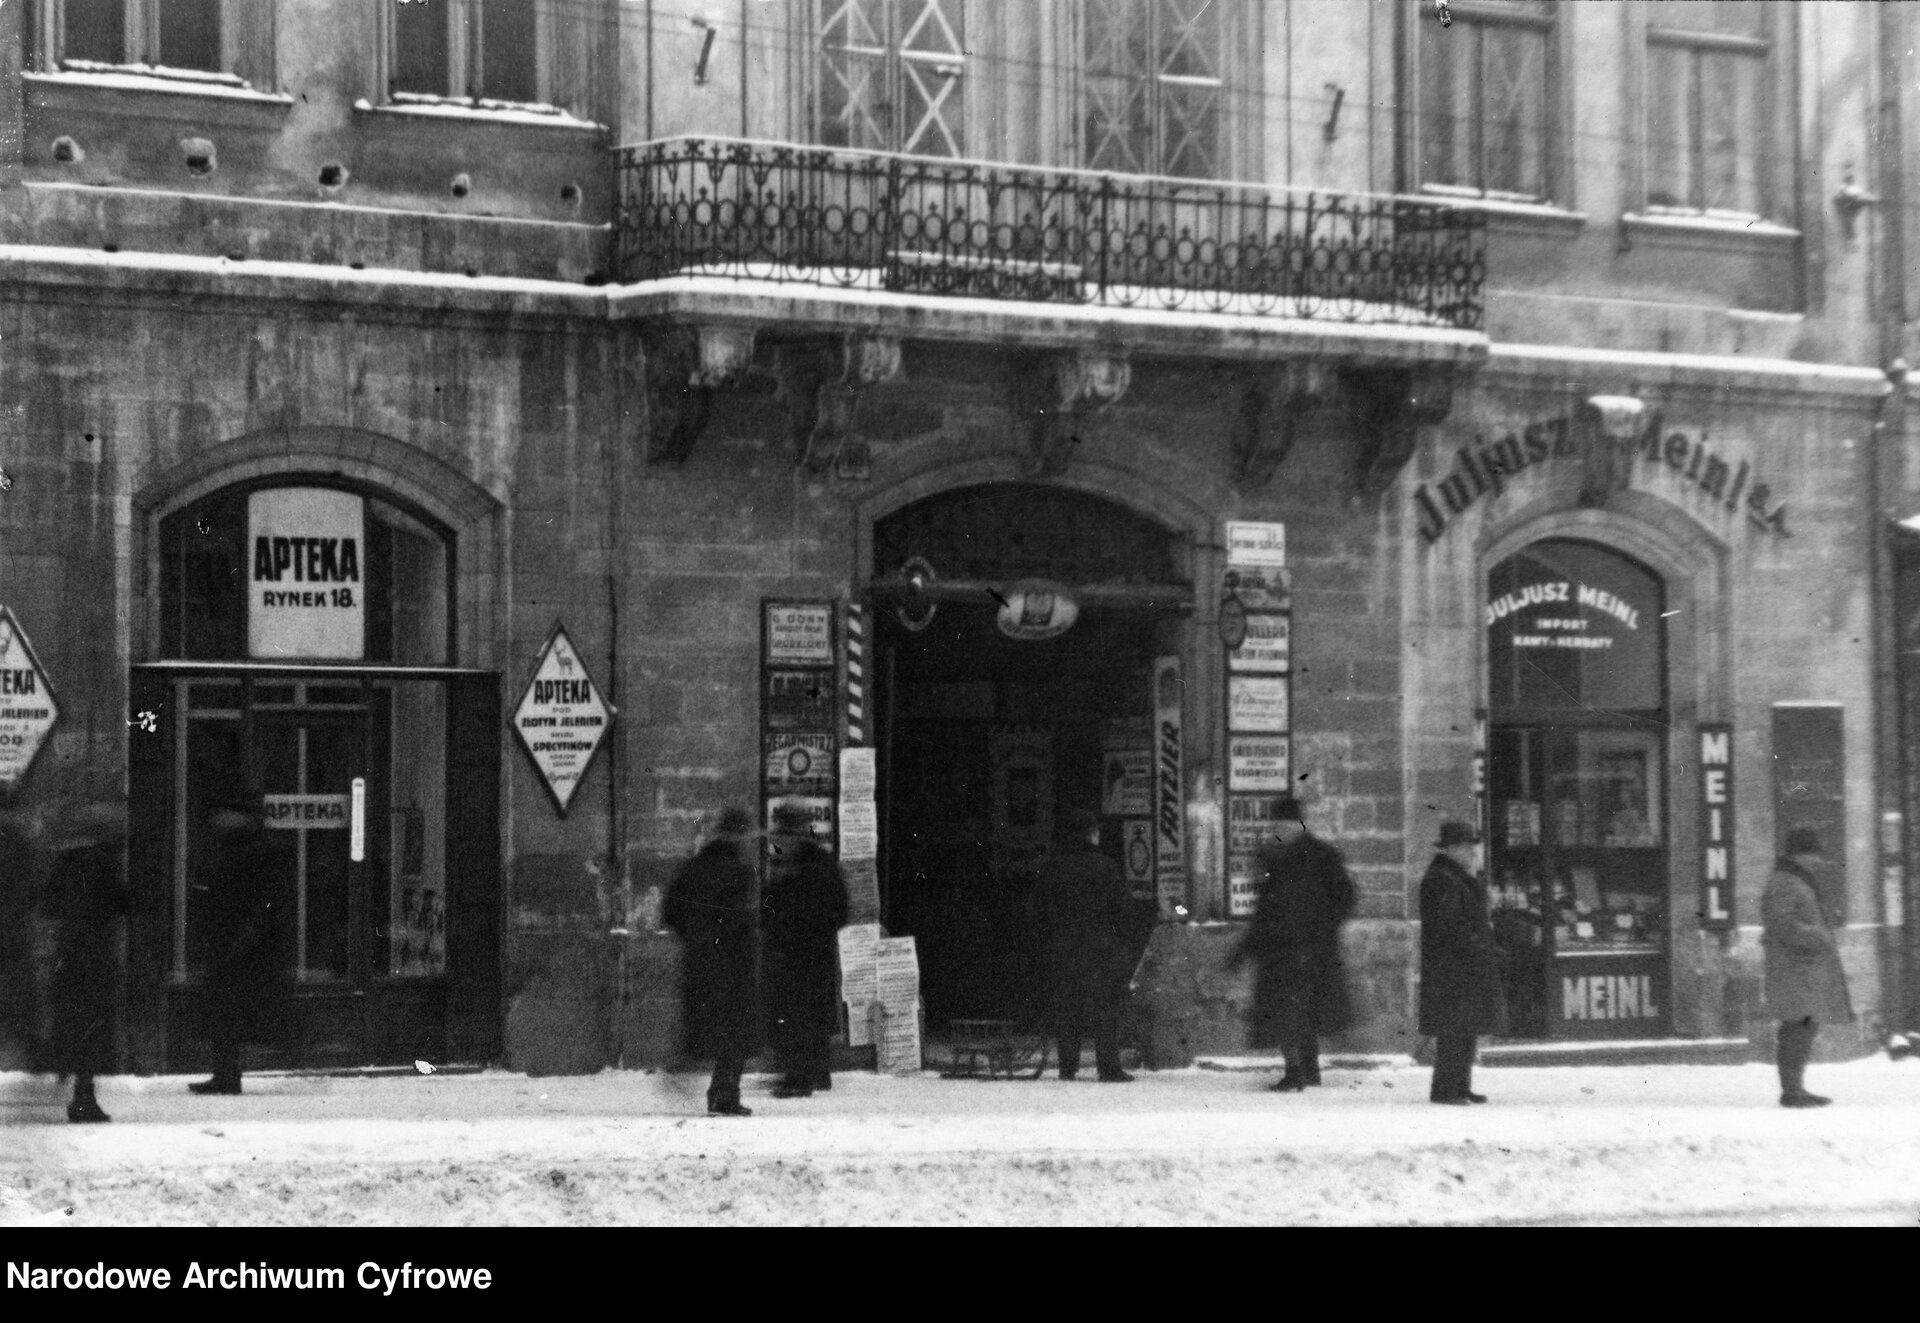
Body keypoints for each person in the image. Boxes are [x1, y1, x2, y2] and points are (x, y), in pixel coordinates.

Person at [1231, 795, 1355, 1091]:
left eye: (1286, 824)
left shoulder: (1322, 855)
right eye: (1277, 825)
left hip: (1309, 949)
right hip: (1278, 950)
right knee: (1290, 1013)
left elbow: (1345, 897)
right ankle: (1299, 1070)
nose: (1281, 830)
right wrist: (1245, 949)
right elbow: (1263, 909)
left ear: (1298, 824)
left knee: (1298, 1012)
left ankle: (1301, 1071)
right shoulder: (1270, 856)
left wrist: (1323, 931)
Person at [191, 787, 291, 1096]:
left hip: (242, 945)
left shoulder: (257, 851)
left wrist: (244, 939)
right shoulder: (229, 847)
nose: (220, 819)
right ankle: (224, 1073)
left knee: (231, 1011)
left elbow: (268, 901)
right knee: (223, 1011)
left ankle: (227, 1074)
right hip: (228, 941)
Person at [664, 807, 761, 1116]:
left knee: (708, 1027)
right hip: (733, 960)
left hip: (701, 959)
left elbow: (671, 910)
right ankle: (724, 1094)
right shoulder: (740, 871)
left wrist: (695, 938)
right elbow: (740, 918)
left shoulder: (694, 867)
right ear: (739, 835)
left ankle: (686, 1074)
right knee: (737, 1031)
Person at [43, 800, 130, 1123]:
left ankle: (76, 1086)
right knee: (93, 1027)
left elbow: (48, 904)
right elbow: (122, 901)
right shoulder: (104, 862)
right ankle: (83, 1096)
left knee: (75, 1021)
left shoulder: (68, 860)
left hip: (69, 951)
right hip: (95, 953)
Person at [1036, 807, 1133, 1083]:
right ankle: (1108, 1067)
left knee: (1068, 1007)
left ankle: (1067, 1066)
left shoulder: (1054, 866)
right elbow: (1121, 907)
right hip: (1099, 946)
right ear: (1090, 834)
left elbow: (1040, 908)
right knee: (1104, 1007)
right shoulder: (1105, 866)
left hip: (1063, 946)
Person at [761, 799, 849, 1099]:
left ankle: (799, 1079)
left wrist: (790, 930)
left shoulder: (795, 865)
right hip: (812, 953)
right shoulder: (815, 861)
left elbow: (776, 907)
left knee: (796, 1015)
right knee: (810, 1015)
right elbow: (840, 909)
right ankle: (817, 1073)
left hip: (798, 954)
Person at [1763, 828, 1854, 1108]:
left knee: (1803, 1028)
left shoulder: (1795, 879)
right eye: (1814, 854)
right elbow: (1783, 924)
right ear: (1799, 855)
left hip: (1801, 969)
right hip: (1795, 969)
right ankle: (1792, 1091)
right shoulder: (1786, 882)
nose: (1818, 860)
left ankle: (1796, 1088)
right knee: (1798, 1029)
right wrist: (1818, 936)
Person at [1418, 821, 1505, 1105]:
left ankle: (1460, 1085)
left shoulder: (1455, 877)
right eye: (1467, 848)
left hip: (1463, 966)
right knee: (1454, 1031)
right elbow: (1450, 926)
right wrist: (1477, 944)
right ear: (1451, 849)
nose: (1472, 853)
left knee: (1465, 1029)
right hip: (1453, 968)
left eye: (1472, 847)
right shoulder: (1441, 879)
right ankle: (1446, 1090)